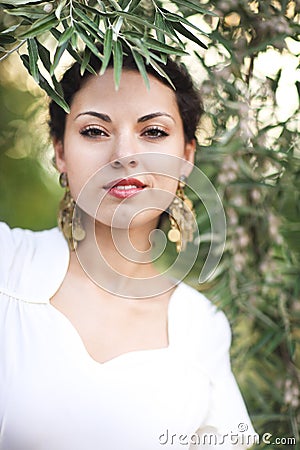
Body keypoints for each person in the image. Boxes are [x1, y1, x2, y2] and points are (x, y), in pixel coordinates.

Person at [0, 50, 257, 449]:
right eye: (94, 131)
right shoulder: (7, 265)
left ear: (187, 157)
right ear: (61, 152)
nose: (124, 155)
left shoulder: (199, 328)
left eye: (153, 132)